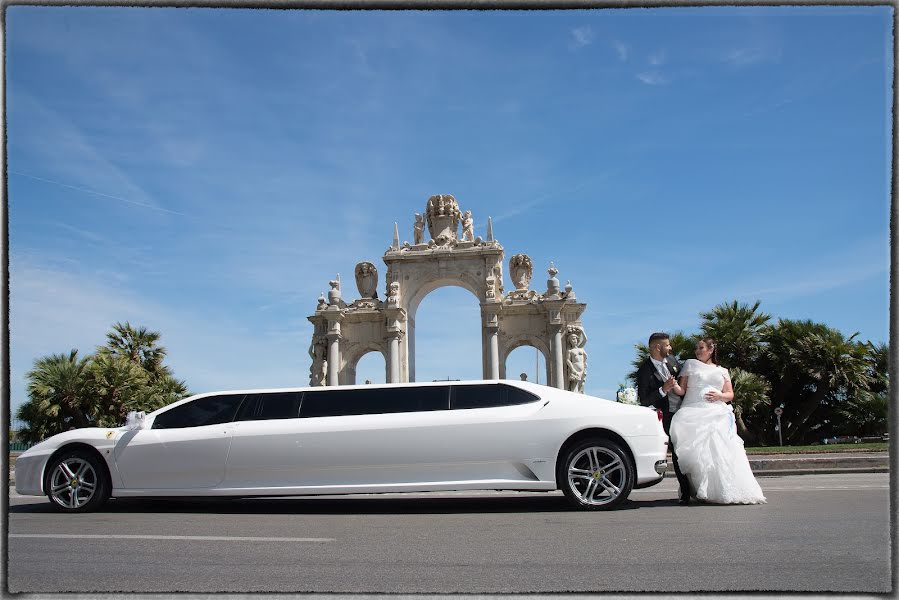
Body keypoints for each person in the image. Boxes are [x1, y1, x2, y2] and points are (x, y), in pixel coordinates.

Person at [669, 338, 767, 505]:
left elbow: (730, 394)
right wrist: (673, 385)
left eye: (701, 348)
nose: (697, 351)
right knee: (698, 453)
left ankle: (722, 489)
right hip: (693, 412)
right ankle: (701, 489)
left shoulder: (722, 370)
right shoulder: (690, 365)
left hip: (716, 414)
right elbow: (682, 390)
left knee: (719, 450)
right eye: (696, 348)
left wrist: (719, 396)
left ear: (711, 349)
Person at [637, 332, 690, 504]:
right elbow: (644, 400)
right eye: (667, 345)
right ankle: (686, 491)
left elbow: (686, 381)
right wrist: (663, 390)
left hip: (685, 412)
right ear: (657, 347)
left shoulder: (674, 361)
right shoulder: (644, 371)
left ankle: (693, 486)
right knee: (676, 451)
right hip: (666, 416)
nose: (670, 348)